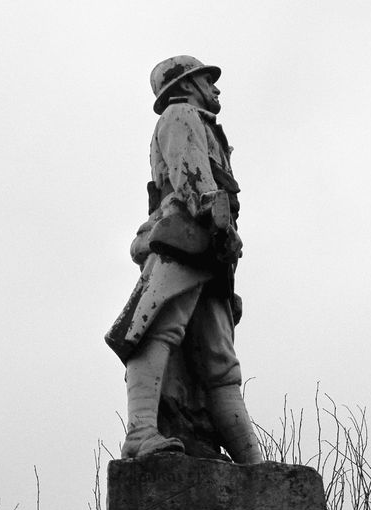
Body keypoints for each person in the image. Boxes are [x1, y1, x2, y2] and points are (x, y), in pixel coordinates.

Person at [105, 56, 263, 464]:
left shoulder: (202, 122)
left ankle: (251, 463)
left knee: (219, 362)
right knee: (153, 329)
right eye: (207, 80)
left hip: (210, 246)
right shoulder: (180, 115)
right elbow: (193, 177)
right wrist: (218, 224)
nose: (215, 87)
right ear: (188, 84)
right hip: (188, 236)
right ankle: (140, 433)